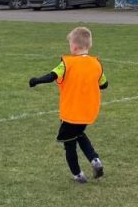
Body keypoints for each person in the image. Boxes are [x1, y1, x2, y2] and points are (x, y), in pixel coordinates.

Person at [29, 26, 108, 183]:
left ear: (74, 46)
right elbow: (104, 84)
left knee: (69, 144)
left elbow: (52, 75)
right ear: (88, 45)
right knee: (79, 134)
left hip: (71, 112)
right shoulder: (96, 64)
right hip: (88, 112)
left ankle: (78, 175)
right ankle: (94, 160)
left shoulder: (67, 63)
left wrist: (36, 80)